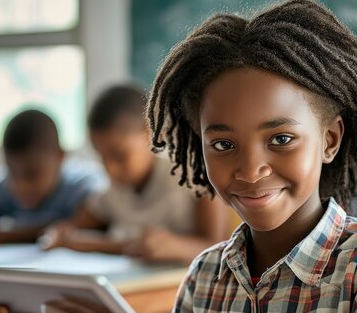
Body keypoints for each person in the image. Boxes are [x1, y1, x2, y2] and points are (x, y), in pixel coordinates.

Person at [0, 0, 357, 313]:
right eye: (222, 144)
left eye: (280, 139)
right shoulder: (205, 275)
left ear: (330, 140)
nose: (250, 170)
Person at [40, 85, 229, 264]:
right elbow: (70, 230)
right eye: (102, 158)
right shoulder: (111, 191)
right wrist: (61, 235)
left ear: (150, 133)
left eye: (119, 156)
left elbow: (218, 246)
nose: (110, 169)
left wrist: (178, 246)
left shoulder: (195, 174)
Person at [0, 109, 106, 244]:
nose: (21, 186)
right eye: (11, 172)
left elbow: (85, 224)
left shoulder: (82, 185)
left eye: (32, 174)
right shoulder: (6, 186)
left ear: (60, 157)